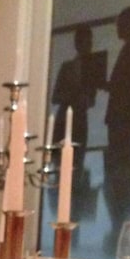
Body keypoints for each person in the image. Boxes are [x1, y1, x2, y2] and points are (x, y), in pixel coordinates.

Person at [50, 24, 103, 159]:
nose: (89, 46)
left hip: (79, 119)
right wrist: (72, 95)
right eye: (87, 42)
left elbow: (91, 100)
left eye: (90, 43)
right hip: (66, 119)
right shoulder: (67, 67)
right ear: (78, 44)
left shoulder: (90, 70)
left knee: (76, 158)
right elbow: (55, 97)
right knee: (62, 158)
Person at [103, 7, 130, 165]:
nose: (118, 28)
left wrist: (113, 86)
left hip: (123, 111)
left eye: (120, 25)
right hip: (124, 111)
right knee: (119, 151)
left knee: (119, 152)